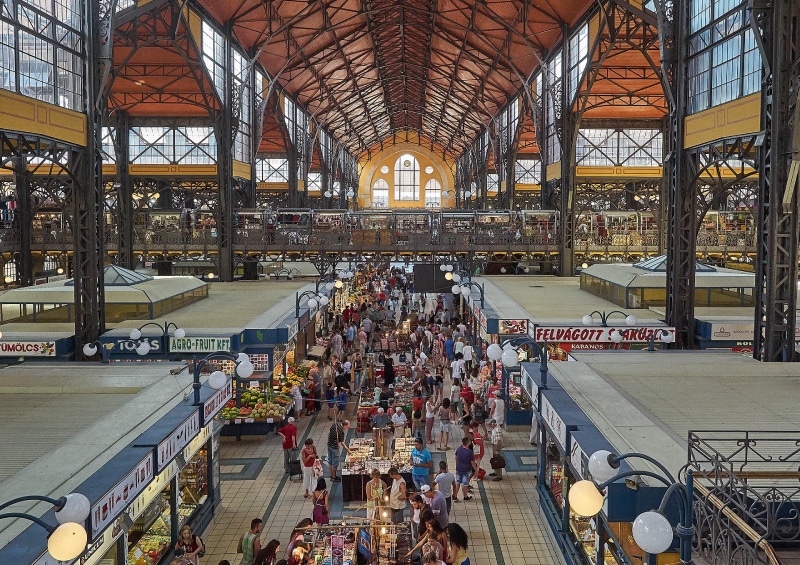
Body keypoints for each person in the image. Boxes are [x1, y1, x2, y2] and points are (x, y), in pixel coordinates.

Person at [453, 437, 476, 502]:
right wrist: (476, 470)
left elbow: (456, 457)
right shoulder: (470, 452)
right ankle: (465, 496)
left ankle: (455, 496)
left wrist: (458, 464)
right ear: (468, 443)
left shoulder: (459, 449)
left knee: (457, 482)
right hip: (466, 470)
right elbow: (472, 462)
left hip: (458, 469)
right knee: (464, 484)